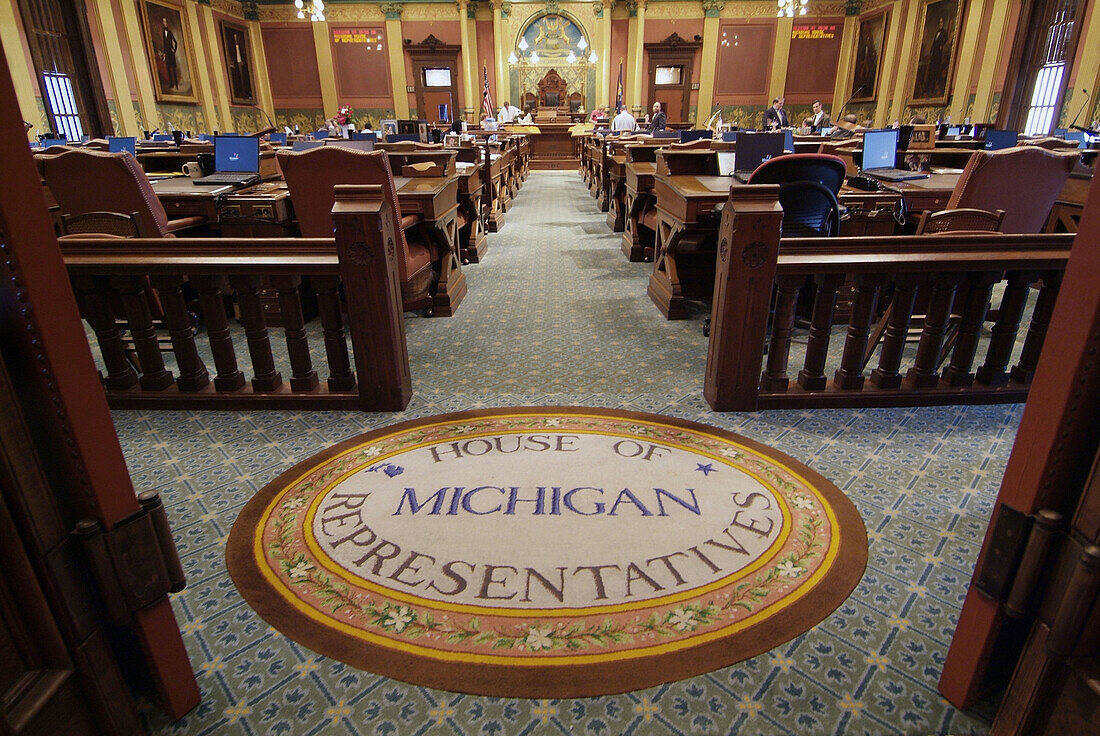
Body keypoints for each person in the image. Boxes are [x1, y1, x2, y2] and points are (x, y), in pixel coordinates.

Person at [159, 17, 178, 90]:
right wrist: (164, 53)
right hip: (167, 53)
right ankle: (171, 84)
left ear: (167, 23)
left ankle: (176, 84)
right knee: (168, 69)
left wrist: (174, 50)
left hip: (171, 53)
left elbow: (175, 42)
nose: (164, 23)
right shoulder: (163, 32)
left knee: (173, 69)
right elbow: (164, 44)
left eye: (165, 22)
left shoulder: (170, 32)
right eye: (163, 22)